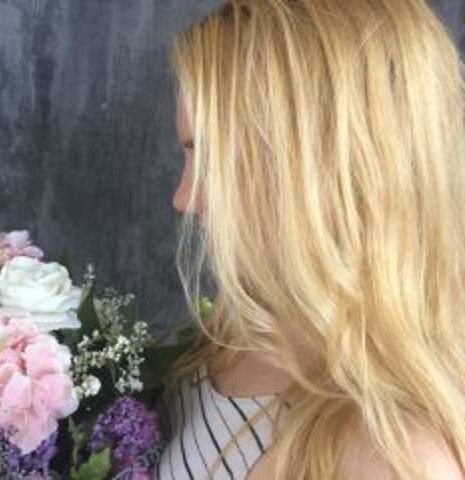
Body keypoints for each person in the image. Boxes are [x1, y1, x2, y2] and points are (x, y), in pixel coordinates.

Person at [157, 0, 465, 478]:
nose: (182, 198)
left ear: (319, 170)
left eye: (212, 159)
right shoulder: (242, 329)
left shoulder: (391, 458)